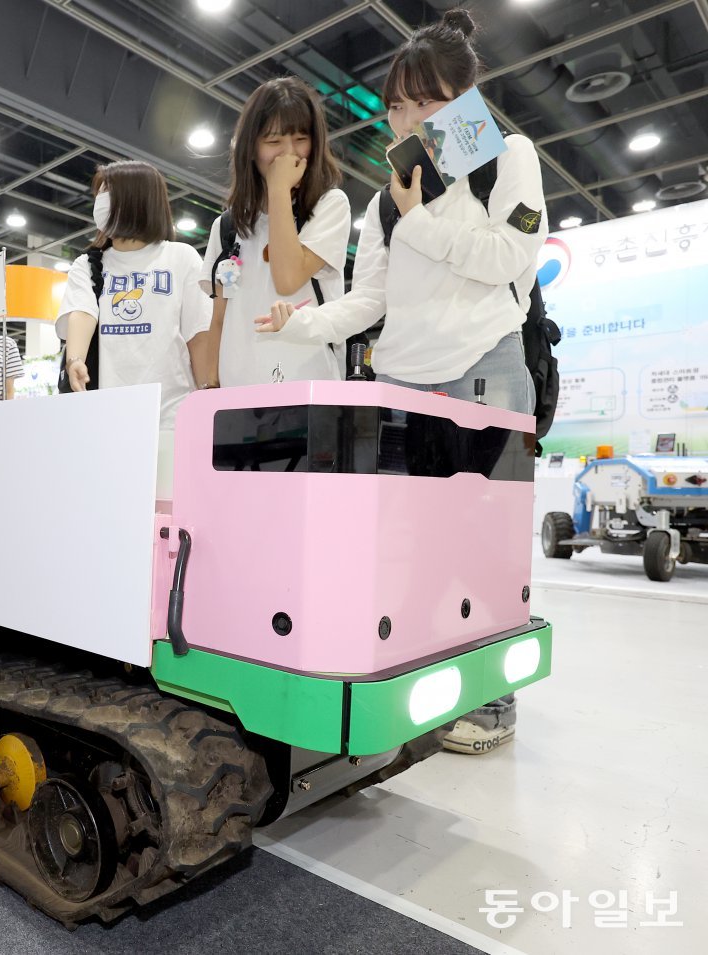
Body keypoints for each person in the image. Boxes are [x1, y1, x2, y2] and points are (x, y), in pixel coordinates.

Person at [256, 9, 547, 754]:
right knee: (415, 546)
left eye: (426, 101)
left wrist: (421, 222)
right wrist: (298, 322)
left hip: (485, 368)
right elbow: (370, 299)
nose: (409, 117)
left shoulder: (506, 155)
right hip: (405, 384)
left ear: (464, 98)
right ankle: (425, 678)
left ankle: (492, 697)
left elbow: (511, 254)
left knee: (484, 544)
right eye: (398, 103)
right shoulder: (390, 193)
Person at [200, 76, 351, 387]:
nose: (289, 154)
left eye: (300, 139)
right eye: (273, 142)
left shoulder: (329, 206)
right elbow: (217, 318)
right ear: (251, 148)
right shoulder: (228, 226)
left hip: (310, 384)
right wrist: (210, 384)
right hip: (237, 392)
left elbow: (287, 278)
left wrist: (279, 188)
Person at [58, 160, 213, 432]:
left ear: (136, 198)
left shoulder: (180, 257)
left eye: (108, 193)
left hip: (172, 419)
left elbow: (198, 336)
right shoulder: (88, 264)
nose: (100, 203)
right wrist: (75, 360)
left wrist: (208, 402)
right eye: (99, 195)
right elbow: (82, 313)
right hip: (106, 420)